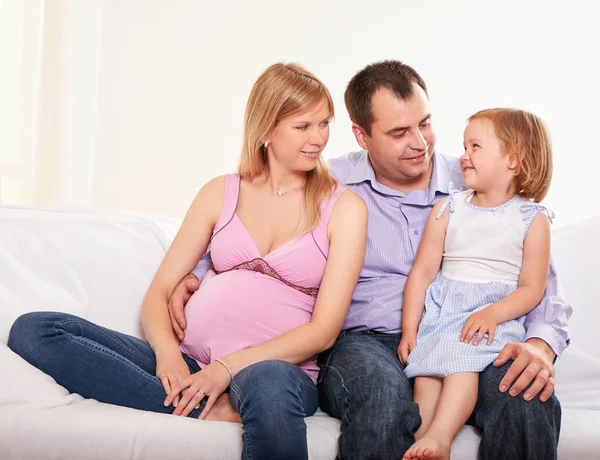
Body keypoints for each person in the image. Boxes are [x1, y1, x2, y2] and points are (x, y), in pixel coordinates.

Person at [168, 60, 572, 460]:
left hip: (469, 336)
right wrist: (200, 273)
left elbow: (536, 282)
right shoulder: (330, 184)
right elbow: (262, 225)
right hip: (362, 342)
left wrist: (539, 344)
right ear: (362, 135)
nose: (420, 143)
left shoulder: (477, 181)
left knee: (527, 396)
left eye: (425, 123)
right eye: (399, 132)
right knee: (381, 398)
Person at [7, 62, 368, 460]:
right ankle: (203, 407)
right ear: (266, 129)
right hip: (192, 361)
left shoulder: (344, 207)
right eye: (304, 126)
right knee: (36, 329)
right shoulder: (221, 191)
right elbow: (158, 293)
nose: (319, 138)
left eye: (324, 123)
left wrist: (227, 368)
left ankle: (205, 402)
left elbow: (324, 331)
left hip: (278, 372)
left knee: (268, 384)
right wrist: (169, 359)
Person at [397, 108, 554, 460]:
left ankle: (440, 438)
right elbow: (421, 273)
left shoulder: (532, 219)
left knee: (460, 364)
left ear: (513, 159)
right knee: (428, 373)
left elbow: (532, 288)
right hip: (443, 311)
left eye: (475, 147)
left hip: (488, 319)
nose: (463, 156)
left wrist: (492, 313)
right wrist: (410, 329)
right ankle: (420, 441)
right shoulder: (448, 209)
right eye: (464, 146)